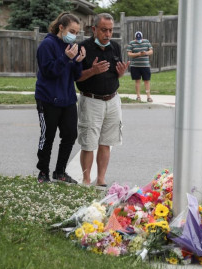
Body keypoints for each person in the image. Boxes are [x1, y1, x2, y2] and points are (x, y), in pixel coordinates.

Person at [76, 13, 129, 187]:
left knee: (106, 142)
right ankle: (86, 179)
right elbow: (76, 77)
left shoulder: (115, 46)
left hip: (112, 100)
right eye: (104, 30)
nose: (107, 34)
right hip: (91, 101)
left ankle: (100, 179)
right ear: (94, 29)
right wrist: (92, 71)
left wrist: (121, 73)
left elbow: (117, 72)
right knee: (89, 143)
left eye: (110, 30)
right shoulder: (83, 48)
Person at [35, 12, 86, 183]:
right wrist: (66, 57)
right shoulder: (47, 45)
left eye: (77, 32)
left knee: (70, 135)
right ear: (61, 28)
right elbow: (49, 71)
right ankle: (43, 173)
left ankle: (60, 172)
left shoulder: (72, 47)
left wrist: (78, 61)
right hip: (48, 98)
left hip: (68, 98)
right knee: (48, 136)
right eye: (72, 30)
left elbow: (75, 76)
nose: (74, 35)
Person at [127, 31, 154, 102]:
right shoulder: (131, 43)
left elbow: (151, 51)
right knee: (137, 81)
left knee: (147, 81)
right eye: (137, 39)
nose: (138, 40)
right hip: (135, 66)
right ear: (135, 38)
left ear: (142, 37)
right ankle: (138, 96)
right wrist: (138, 54)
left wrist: (145, 53)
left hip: (145, 65)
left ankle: (148, 96)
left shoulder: (146, 42)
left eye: (140, 39)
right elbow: (129, 54)